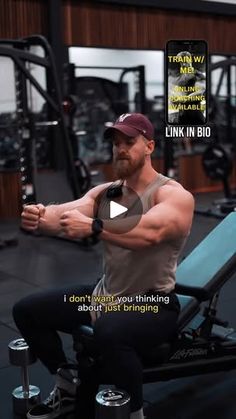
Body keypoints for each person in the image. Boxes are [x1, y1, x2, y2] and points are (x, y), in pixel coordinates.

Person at [13, 113, 194, 419]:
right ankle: (67, 384)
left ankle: (134, 413)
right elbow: (68, 213)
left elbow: (151, 232)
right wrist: (39, 215)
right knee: (27, 310)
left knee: (109, 331)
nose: (120, 149)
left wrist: (95, 227)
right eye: (115, 143)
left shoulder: (172, 195)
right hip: (103, 297)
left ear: (149, 146)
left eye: (129, 142)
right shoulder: (109, 193)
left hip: (153, 302)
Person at [168, 50, 206, 125]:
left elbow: (199, 93)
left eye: (185, 61)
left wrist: (181, 99)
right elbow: (172, 96)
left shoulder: (198, 75)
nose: (184, 64)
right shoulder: (178, 78)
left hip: (195, 115)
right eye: (181, 62)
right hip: (181, 115)